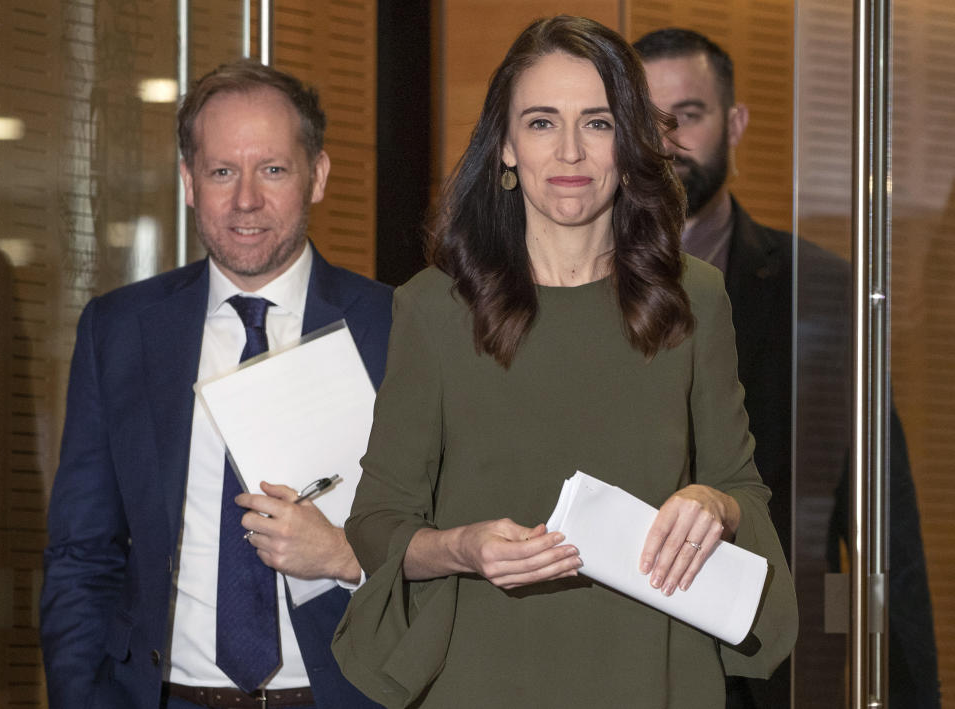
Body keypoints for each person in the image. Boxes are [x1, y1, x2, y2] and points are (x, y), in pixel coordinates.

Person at [331, 16, 797, 708]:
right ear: (506, 149)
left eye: (598, 123)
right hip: (480, 674)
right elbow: (376, 520)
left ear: (630, 144)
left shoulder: (693, 297)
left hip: (655, 673)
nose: (570, 150)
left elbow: (738, 486)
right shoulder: (435, 307)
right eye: (542, 122)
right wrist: (463, 547)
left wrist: (712, 504)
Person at [39, 60, 389, 709]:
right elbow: (82, 553)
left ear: (318, 177)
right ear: (188, 183)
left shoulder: (397, 328)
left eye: (273, 169)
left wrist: (348, 554)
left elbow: (448, 537)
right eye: (222, 171)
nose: (245, 199)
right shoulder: (118, 330)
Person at [634, 27, 940, 709]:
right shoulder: (572, 285)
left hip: (770, 668)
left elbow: (879, 524)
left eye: (687, 115)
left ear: (734, 122)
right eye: (646, 122)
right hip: (612, 660)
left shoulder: (822, 289)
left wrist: (912, 690)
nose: (666, 143)